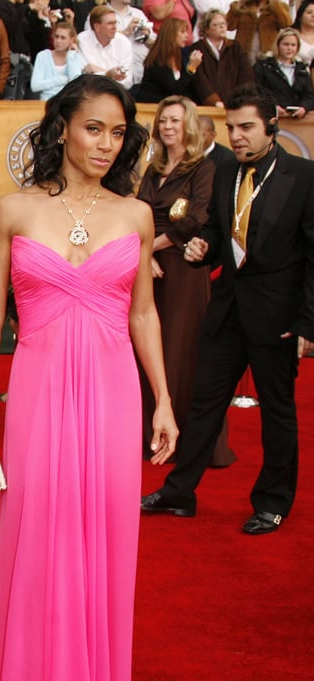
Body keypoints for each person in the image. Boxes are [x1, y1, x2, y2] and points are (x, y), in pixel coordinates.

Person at [0, 73, 176, 681]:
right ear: (61, 127)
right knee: (44, 529)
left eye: (118, 132)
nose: (106, 144)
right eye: (94, 127)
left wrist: (163, 400)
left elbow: (142, 311)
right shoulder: (13, 210)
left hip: (115, 390)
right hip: (40, 384)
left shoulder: (136, 215)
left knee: (105, 534)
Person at [142, 84, 314, 535]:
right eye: (231, 127)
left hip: (276, 319)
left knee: (277, 412)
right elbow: (220, 232)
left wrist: (305, 322)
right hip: (226, 312)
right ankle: (180, 491)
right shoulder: (224, 172)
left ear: (271, 127)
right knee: (204, 404)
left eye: (247, 127)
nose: (237, 136)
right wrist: (205, 246)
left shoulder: (303, 176)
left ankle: (272, 503)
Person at [137, 95, 235, 467]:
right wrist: (144, 256)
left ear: (188, 125)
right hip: (148, 268)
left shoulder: (203, 167)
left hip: (182, 269)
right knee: (150, 349)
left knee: (181, 349)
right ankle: (149, 434)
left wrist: (149, 251)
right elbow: (138, 213)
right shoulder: (152, 168)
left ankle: (190, 442)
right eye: (163, 120)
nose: (167, 127)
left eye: (175, 121)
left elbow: (196, 219)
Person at [187, 9, 253, 106]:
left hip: (236, 103)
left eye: (223, 23)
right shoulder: (197, 48)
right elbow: (199, 79)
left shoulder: (235, 47)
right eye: (216, 25)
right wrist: (214, 101)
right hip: (207, 106)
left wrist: (240, 99)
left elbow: (246, 74)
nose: (222, 27)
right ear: (206, 29)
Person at [136, 17, 202, 102]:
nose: (186, 35)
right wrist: (191, 67)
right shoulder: (157, 59)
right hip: (151, 107)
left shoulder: (179, 57)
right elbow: (174, 89)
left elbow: (186, 88)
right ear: (171, 34)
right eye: (182, 32)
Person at [254, 27, 314, 118]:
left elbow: (309, 96)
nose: (289, 48)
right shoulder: (263, 67)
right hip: (271, 117)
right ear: (278, 45)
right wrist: (273, 106)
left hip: (296, 120)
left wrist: (304, 108)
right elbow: (257, 91)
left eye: (293, 45)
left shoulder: (302, 69)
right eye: (286, 44)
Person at [78, 4, 135, 91]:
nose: (115, 27)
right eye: (110, 24)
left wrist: (103, 72)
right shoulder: (82, 41)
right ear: (97, 26)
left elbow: (127, 81)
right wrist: (110, 74)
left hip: (116, 93)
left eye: (115, 23)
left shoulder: (123, 42)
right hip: (89, 93)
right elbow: (83, 78)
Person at [30, 20, 86, 100]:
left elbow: (75, 83)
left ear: (71, 39)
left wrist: (70, 56)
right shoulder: (43, 56)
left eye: (63, 38)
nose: (58, 41)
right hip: (46, 100)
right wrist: (63, 79)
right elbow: (35, 86)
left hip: (67, 100)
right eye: (56, 37)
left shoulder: (75, 57)